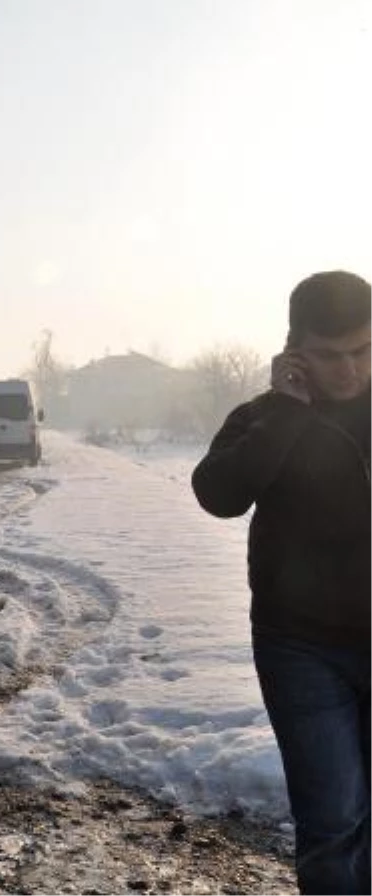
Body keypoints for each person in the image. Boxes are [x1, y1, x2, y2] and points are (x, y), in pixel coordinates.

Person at [193, 270, 372, 895]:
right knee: (333, 819)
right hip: (301, 647)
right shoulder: (265, 418)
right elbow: (217, 493)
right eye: (330, 356)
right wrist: (288, 414)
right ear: (295, 349)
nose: (348, 369)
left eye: (362, 351)